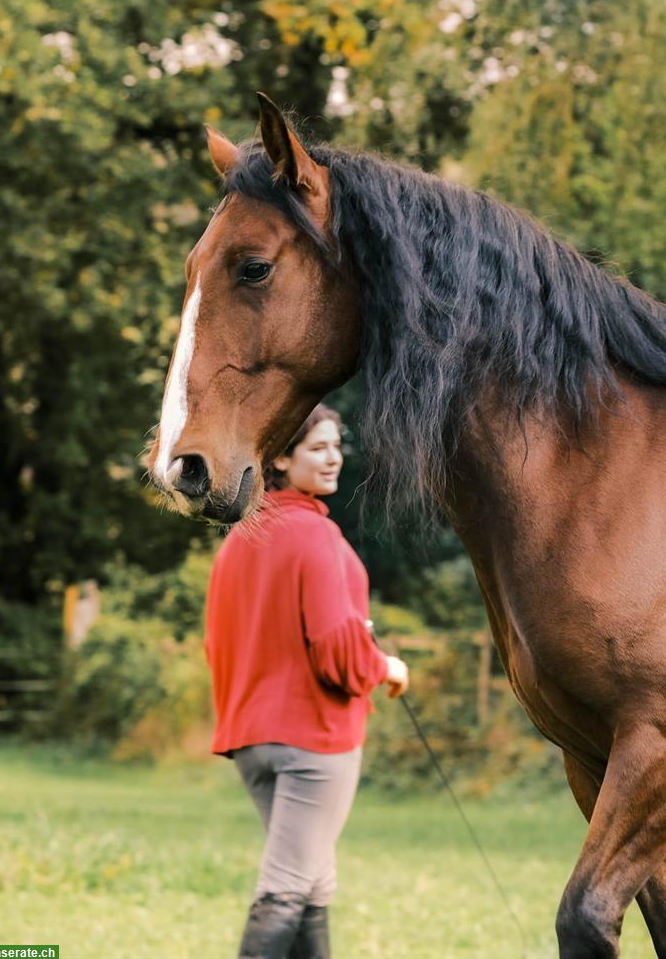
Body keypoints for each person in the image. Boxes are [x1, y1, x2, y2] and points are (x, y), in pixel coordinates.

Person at [204, 403, 409, 959]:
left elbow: (218, 644)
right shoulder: (315, 536)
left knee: (312, 880)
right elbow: (337, 648)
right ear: (278, 458)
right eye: (317, 448)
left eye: (336, 445)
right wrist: (386, 667)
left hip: (251, 740)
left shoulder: (237, 540)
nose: (333, 457)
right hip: (313, 743)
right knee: (288, 884)